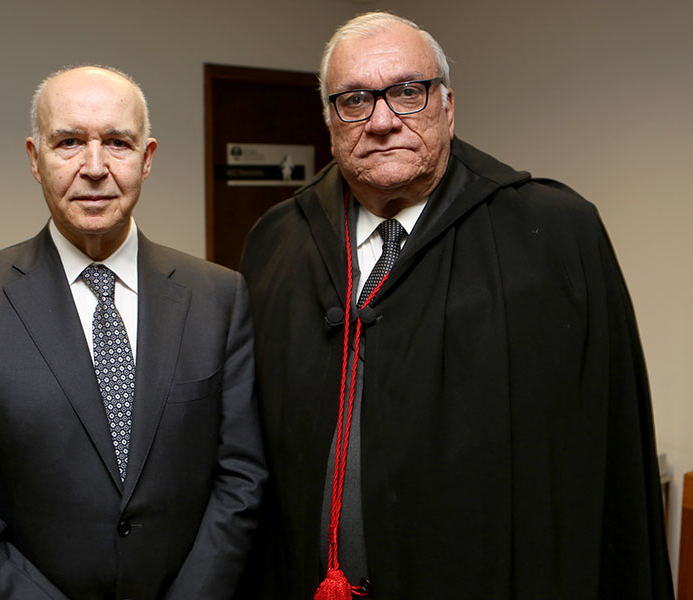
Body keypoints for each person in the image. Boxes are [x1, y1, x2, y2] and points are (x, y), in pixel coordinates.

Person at [239, 12, 673, 599]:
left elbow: (611, 459)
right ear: (330, 120)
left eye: (407, 92)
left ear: (447, 105)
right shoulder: (276, 243)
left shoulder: (555, 237)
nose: (382, 121)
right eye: (354, 101)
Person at [0, 65, 266, 599]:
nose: (95, 168)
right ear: (35, 158)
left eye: (118, 143)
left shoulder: (219, 297)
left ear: (146, 158)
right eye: (69, 142)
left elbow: (241, 479)